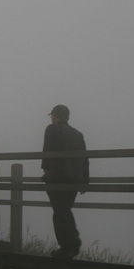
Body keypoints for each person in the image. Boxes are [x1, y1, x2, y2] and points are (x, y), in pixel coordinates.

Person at [41, 104, 89, 259]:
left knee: (59, 211)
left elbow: (48, 150)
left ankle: (68, 247)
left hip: (58, 176)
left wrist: (46, 170)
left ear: (55, 116)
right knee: (64, 209)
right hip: (75, 178)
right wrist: (84, 180)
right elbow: (84, 158)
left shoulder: (52, 129)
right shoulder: (78, 134)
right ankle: (72, 244)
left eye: (52, 116)